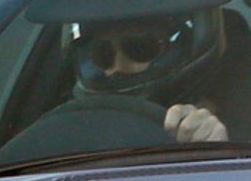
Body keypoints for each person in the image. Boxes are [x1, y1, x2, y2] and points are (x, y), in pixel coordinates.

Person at [67, 8, 232, 143]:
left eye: (139, 47)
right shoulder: (76, 122)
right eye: (101, 53)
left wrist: (210, 145)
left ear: (175, 51)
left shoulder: (221, 117)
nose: (119, 67)